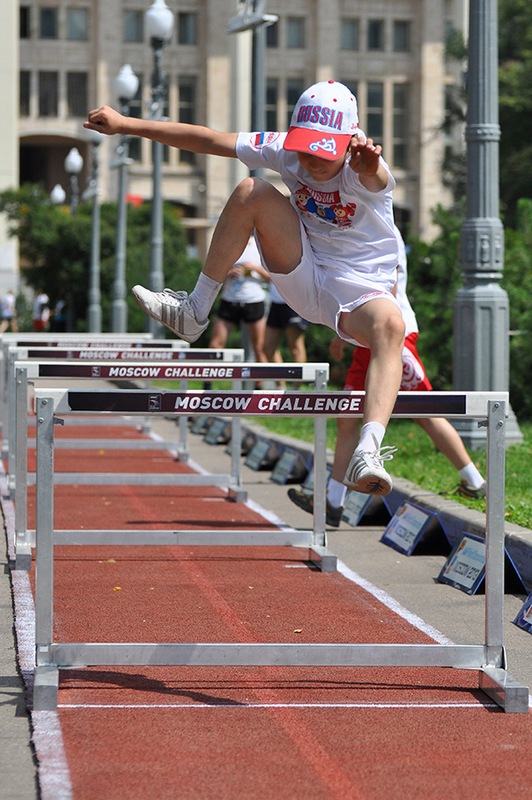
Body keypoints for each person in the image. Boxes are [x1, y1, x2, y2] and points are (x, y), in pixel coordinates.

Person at [85, 80, 406, 495]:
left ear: (349, 140)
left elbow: (378, 177)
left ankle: (369, 449)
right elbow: (208, 140)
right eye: (306, 149)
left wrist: (369, 167)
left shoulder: (364, 165)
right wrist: (127, 124)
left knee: (391, 326)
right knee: (251, 190)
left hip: (361, 290)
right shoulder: (285, 148)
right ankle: (194, 310)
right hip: (303, 271)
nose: (312, 161)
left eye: (324, 152)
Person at [288, 230, 486, 527]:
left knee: (424, 411)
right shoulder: (354, 225)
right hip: (364, 337)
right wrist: (344, 334)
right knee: (347, 417)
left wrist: (378, 332)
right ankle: (332, 501)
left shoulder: (380, 229)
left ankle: (474, 482)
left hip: (393, 336)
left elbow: (386, 289)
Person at [207, 234, 270, 363]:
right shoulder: (228, 243)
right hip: (230, 299)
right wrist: (230, 273)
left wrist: (255, 269)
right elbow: (213, 275)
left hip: (253, 300)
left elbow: (271, 278)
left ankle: (259, 383)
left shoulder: (259, 246)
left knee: (259, 347)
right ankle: (208, 382)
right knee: (216, 344)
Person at [264, 282, 308, 366]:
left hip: (294, 303)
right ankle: (281, 379)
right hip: (275, 302)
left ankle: (298, 378)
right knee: (268, 347)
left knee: (295, 348)